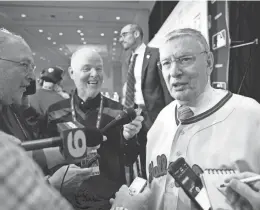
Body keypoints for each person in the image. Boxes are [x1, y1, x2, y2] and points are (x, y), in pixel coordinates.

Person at [111, 28, 260, 210]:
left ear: (209, 62)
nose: (174, 71)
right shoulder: (161, 121)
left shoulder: (250, 115)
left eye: (185, 59)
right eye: (166, 63)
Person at [46, 47, 144, 210]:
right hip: (66, 201)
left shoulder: (118, 112)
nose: (95, 74)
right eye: (87, 68)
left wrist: (129, 138)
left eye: (99, 68)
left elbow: (130, 159)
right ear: (71, 73)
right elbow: (47, 161)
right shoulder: (54, 112)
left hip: (107, 201)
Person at [0, 28, 94, 193]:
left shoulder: (9, 107)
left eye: (32, 67)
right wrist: (51, 186)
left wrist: (68, 151)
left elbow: (23, 154)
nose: (32, 77)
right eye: (24, 65)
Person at [119, 23, 173, 180]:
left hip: (155, 114)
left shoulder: (155, 54)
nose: (120, 39)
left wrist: (171, 114)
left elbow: (165, 87)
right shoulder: (129, 60)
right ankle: (145, 181)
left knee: (162, 152)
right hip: (136, 115)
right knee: (142, 152)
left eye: (124, 34)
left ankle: (163, 183)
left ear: (136, 34)